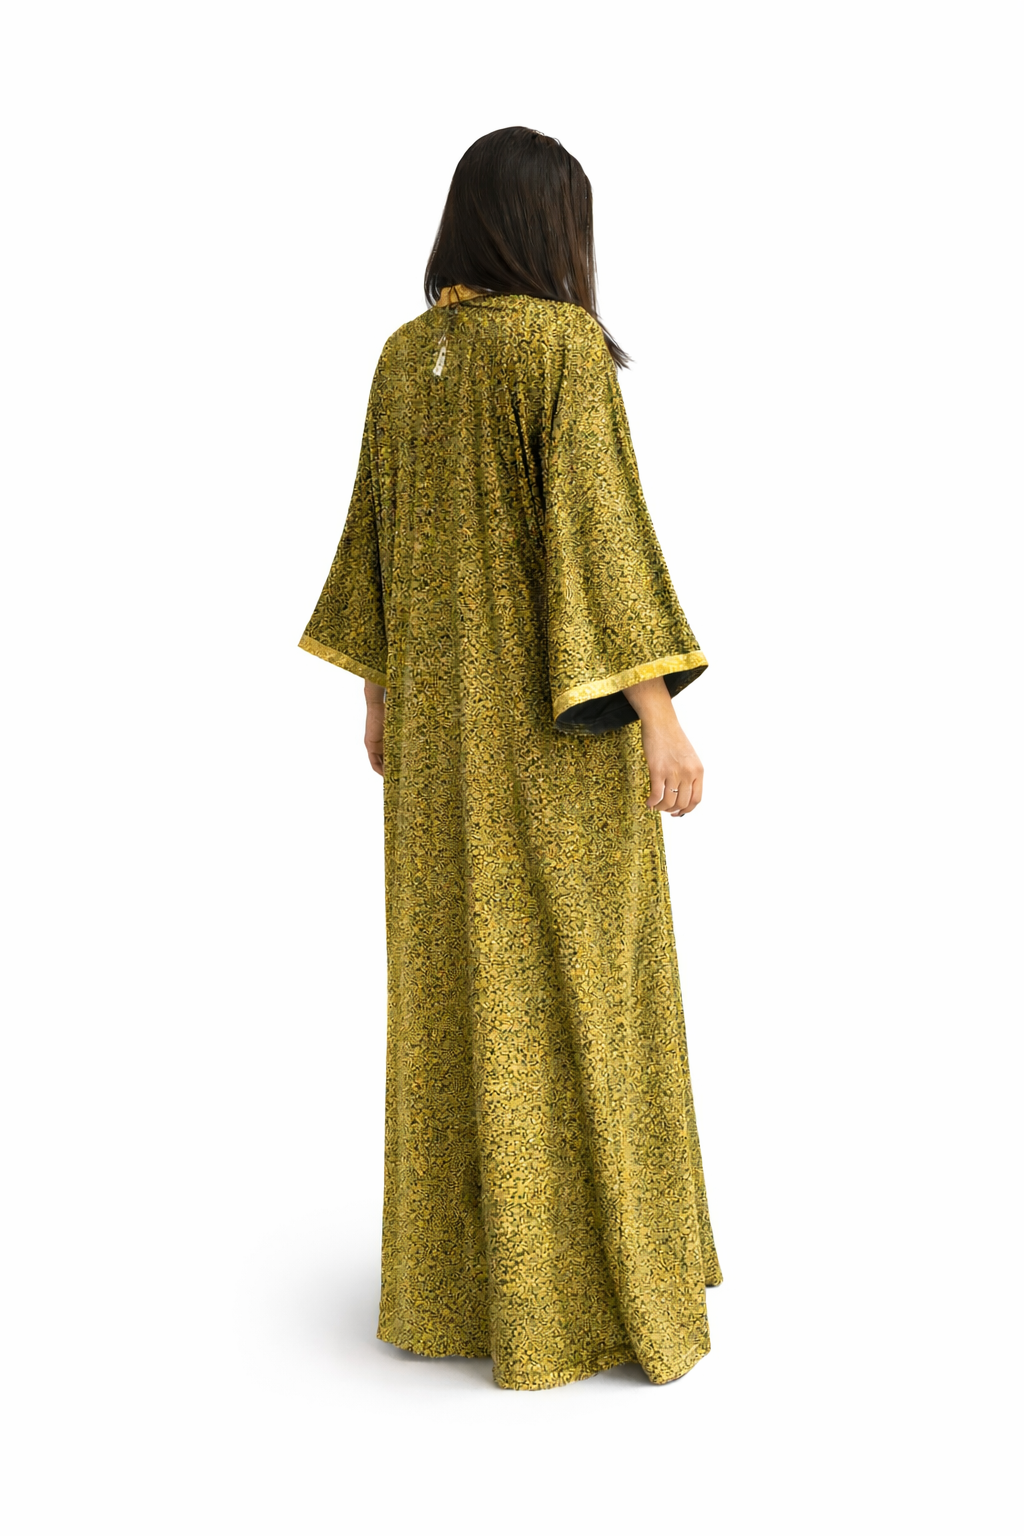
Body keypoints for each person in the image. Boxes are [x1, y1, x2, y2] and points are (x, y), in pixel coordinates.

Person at [299, 126, 722, 1391]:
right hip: (551, 747)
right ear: (551, 227)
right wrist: (659, 716)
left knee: (457, 996)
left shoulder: (401, 356)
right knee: (587, 987)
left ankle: (465, 1294)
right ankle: (593, 1294)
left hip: (436, 750)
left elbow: (373, 544)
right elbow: (600, 542)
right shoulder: (558, 348)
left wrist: (380, 701)